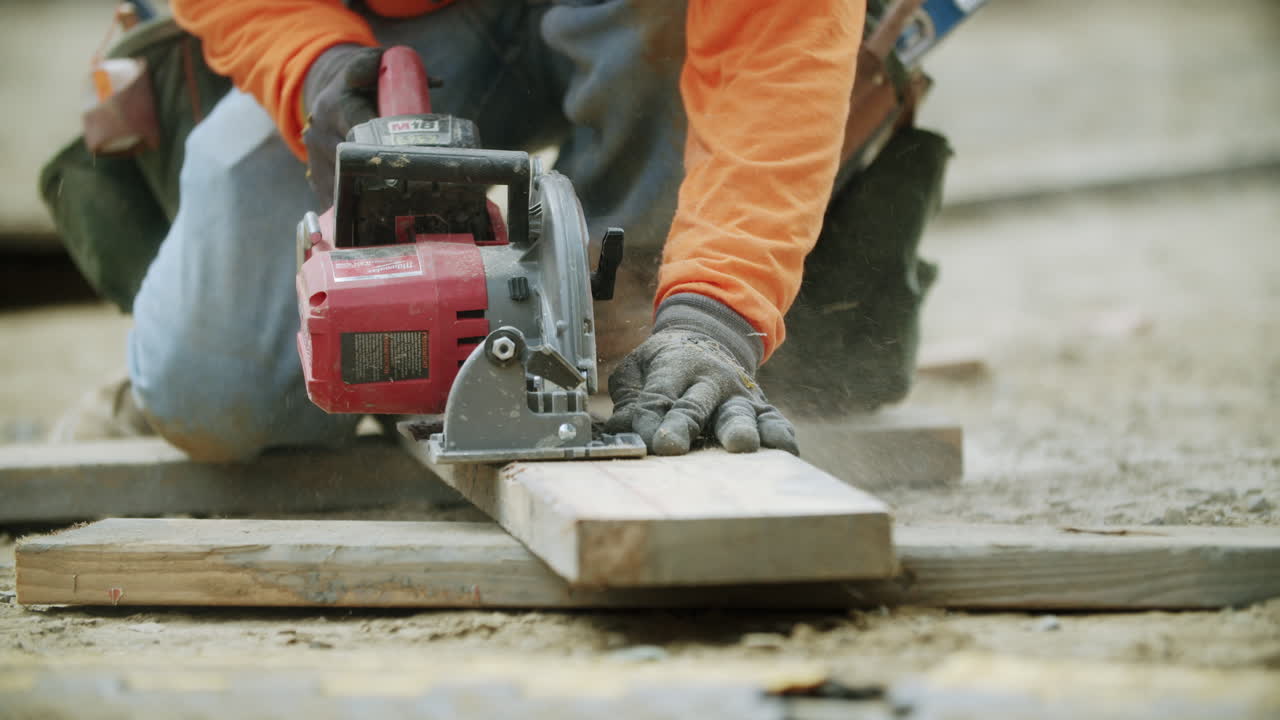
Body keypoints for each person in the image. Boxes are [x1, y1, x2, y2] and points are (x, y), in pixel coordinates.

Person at [57, 0, 950, 461]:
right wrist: (309, 62)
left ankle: (626, 325)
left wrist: (717, 310)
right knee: (214, 394)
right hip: (374, 31)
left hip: (648, 22)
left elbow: (777, 33)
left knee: (681, 320)